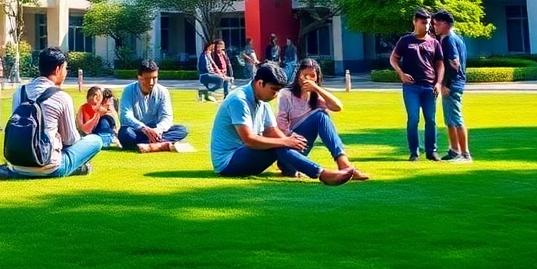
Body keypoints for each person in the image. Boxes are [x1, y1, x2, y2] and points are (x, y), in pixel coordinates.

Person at [208, 62, 355, 185]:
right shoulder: (239, 100)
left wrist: (291, 141)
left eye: (278, 90)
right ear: (260, 83)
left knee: (320, 117)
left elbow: (271, 131)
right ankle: (322, 174)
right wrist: (285, 141)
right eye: (274, 90)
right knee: (279, 144)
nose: (276, 95)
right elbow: (250, 140)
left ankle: (343, 163)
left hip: (248, 155)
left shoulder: (261, 100)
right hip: (229, 163)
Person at [0, 47, 103, 180]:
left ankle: (9, 171)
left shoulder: (20, 92)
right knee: (95, 140)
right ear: (58, 69)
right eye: (65, 68)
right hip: (49, 166)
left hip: (17, 160)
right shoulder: (61, 97)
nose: (66, 72)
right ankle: (77, 167)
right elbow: (70, 140)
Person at [274, 58, 369, 180]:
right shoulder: (286, 94)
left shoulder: (316, 98)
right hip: (289, 146)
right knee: (319, 115)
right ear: (298, 76)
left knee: (322, 115)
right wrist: (292, 138)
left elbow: (338, 107)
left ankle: (344, 163)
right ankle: (338, 167)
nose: (308, 79)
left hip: (303, 147)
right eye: (305, 75)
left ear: (317, 78)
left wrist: (317, 89)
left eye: (312, 76)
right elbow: (281, 124)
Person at [389, 8, 445, 161]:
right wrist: (401, 73)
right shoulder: (405, 40)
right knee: (413, 118)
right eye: (423, 23)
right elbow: (393, 59)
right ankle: (414, 152)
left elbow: (440, 64)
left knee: (431, 119)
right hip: (411, 87)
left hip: (429, 86)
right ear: (415, 22)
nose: (426, 26)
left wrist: (439, 83)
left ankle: (431, 151)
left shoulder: (434, 42)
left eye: (428, 23)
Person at [117, 59, 192, 153]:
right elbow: (126, 115)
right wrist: (143, 128)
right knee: (125, 134)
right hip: (137, 131)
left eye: (155, 78)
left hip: (157, 131)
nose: (151, 82)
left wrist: (158, 130)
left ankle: (149, 146)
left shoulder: (163, 92)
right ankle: (161, 145)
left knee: (182, 130)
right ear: (139, 77)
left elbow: (167, 117)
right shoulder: (128, 91)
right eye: (147, 78)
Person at [432, 10, 471, 162]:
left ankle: (465, 154)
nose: (434, 26)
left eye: (437, 23)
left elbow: (454, 63)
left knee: (456, 119)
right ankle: (454, 150)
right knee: (450, 119)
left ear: (445, 24)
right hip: (455, 83)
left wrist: (446, 83)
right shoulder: (457, 38)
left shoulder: (448, 39)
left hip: (452, 84)